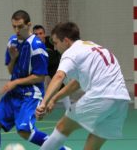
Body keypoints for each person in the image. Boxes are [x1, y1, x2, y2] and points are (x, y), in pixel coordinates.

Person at [36, 22, 131, 150]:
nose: (55, 47)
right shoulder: (91, 47)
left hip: (101, 96)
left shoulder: (71, 52)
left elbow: (59, 76)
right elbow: (76, 83)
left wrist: (43, 102)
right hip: (121, 101)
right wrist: (54, 99)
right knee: (93, 145)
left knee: (63, 127)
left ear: (66, 41)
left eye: (55, 42)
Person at [0, 10, 70, 150]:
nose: (17, 30)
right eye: (14, 26)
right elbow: (10, 70)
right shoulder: (12, 42)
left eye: (20, 26)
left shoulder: (37, 46)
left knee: (24, 131)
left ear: (29, 25)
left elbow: (40, 77)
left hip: (31, 94)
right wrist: (13, 58)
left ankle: (63, 149)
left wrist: (15, 82)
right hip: (14, 94)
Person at [33, 25, 71, 109]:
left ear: (44, 34)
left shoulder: (50, 40)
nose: (38, 36)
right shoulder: (31, 45)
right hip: (40, 66)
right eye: (36, 34)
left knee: (61, 86)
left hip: (54, 65)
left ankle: (69, 109)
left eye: (40, 33)